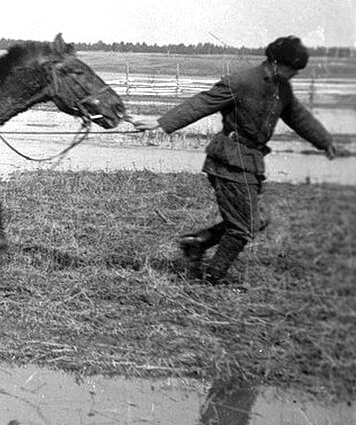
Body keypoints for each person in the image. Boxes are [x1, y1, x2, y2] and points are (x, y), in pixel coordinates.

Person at [134, 36, 339, 283]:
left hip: (250, 162)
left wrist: (325, 141)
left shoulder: (282, 88)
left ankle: (197, 243)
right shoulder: (241, 82)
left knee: (257, 220)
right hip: (228, 160)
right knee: (244, 227)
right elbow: (202, 103)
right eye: (292, 69)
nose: (295, 74)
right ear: (275, 62)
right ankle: (212, 278)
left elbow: (298, 117)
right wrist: (161, 123)